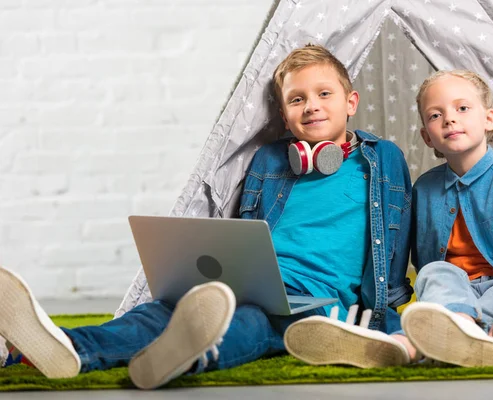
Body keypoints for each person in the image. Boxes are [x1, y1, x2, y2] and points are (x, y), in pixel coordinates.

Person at [0, 44, 414, 388]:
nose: (311, 107)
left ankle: (184, 357)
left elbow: (395, 248)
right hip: (257, 280)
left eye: (325, 94)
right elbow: (245, 232)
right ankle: (64, 347)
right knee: (160, 310)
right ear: (284, 115)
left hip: (315, 304)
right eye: (297, 99)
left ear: (351, 102)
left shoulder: (381, 160)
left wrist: (386, 316)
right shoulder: (270, 160)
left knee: (252, 322)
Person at [285, 69, 493, 369]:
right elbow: (423, 261)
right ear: (426, 137)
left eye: (462, 108)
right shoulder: (425, 188)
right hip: (455, 294)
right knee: (435, 271)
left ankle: (413, 344)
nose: (449, 119)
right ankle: (450, 330)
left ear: (489, 119)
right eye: (435, 115)